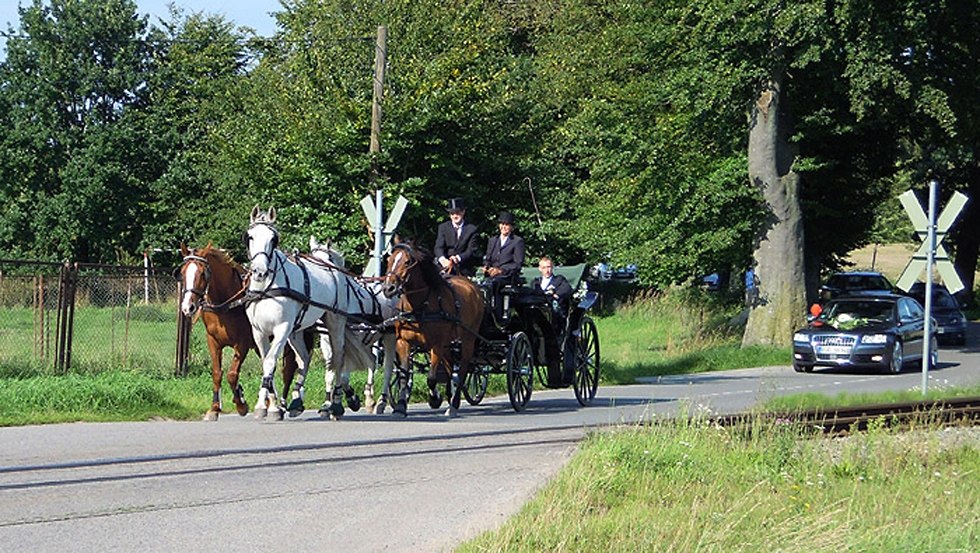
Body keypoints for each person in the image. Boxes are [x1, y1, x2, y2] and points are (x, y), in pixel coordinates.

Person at [482, 210, 525, 322]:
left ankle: (498, 314)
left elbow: (518, 263)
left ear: (511, 227)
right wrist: (486, 267)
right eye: (502, 224)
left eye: (507, 225)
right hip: (492, 274)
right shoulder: (493, 240)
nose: (504, 227)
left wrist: (501, 270)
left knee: (494, 283)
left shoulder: (517, 241)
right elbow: (488, 259)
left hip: (508, 276)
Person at [434, 197, 480, 276]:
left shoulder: (471, 229)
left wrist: (458, 258)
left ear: (463, 212)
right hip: (445, 266)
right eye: (452, 213)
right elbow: (438, 247)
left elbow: (471, 250)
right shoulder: (443, 227)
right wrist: (443, 259)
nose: (455, 216)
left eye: (457, 213)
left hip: (463, 267)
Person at [531, 256, 573, 334]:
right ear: (540, 269)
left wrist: (556, 294)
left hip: (554, 310)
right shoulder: (536, 282)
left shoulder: (559, 279)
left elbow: (567, 288)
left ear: (552, 267)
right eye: (544, 268)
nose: (547, 270)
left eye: (549, 267)